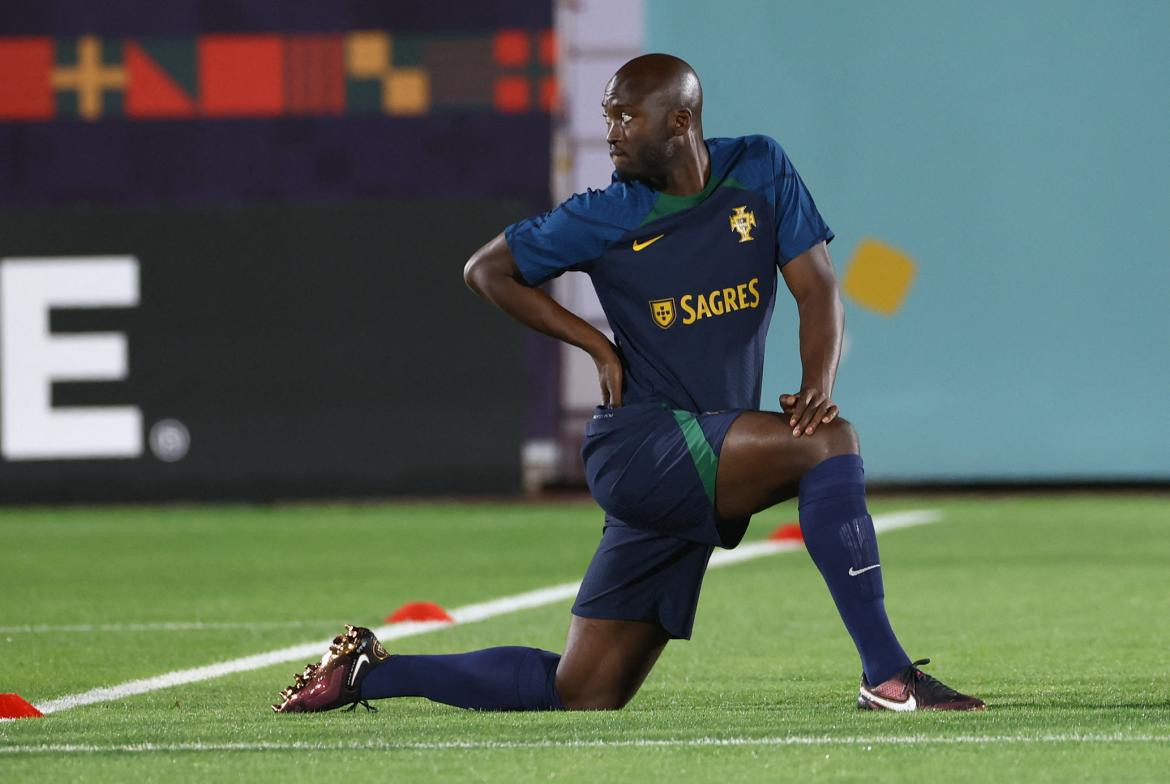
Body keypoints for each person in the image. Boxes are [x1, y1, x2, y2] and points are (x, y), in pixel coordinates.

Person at [274, 54, 983, 715]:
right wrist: (596, 347)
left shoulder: (760, 168)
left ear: (680, 122)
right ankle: (886, 676)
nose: (609, 131)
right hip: (644, 446)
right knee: (829, 444)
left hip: (699, 453)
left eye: (624, 117)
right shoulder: (606, 212)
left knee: (585, 692)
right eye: (607, 114)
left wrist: (815, 382)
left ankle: (374, 671)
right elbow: (485, 270)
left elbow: (818, 288)